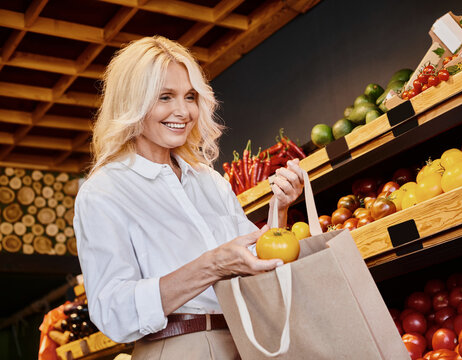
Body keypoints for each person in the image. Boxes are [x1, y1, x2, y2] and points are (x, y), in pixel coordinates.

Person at [73, 35, 305, 359]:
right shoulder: (104, 192)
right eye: (165, 97)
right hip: (178, 346)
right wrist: (210, 266)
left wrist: (279, 209)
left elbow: (255, 265)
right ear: (132, 102)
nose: (182, 111)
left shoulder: (210, 181)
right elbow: (114, 311)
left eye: (190, 96)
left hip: (249, 340)